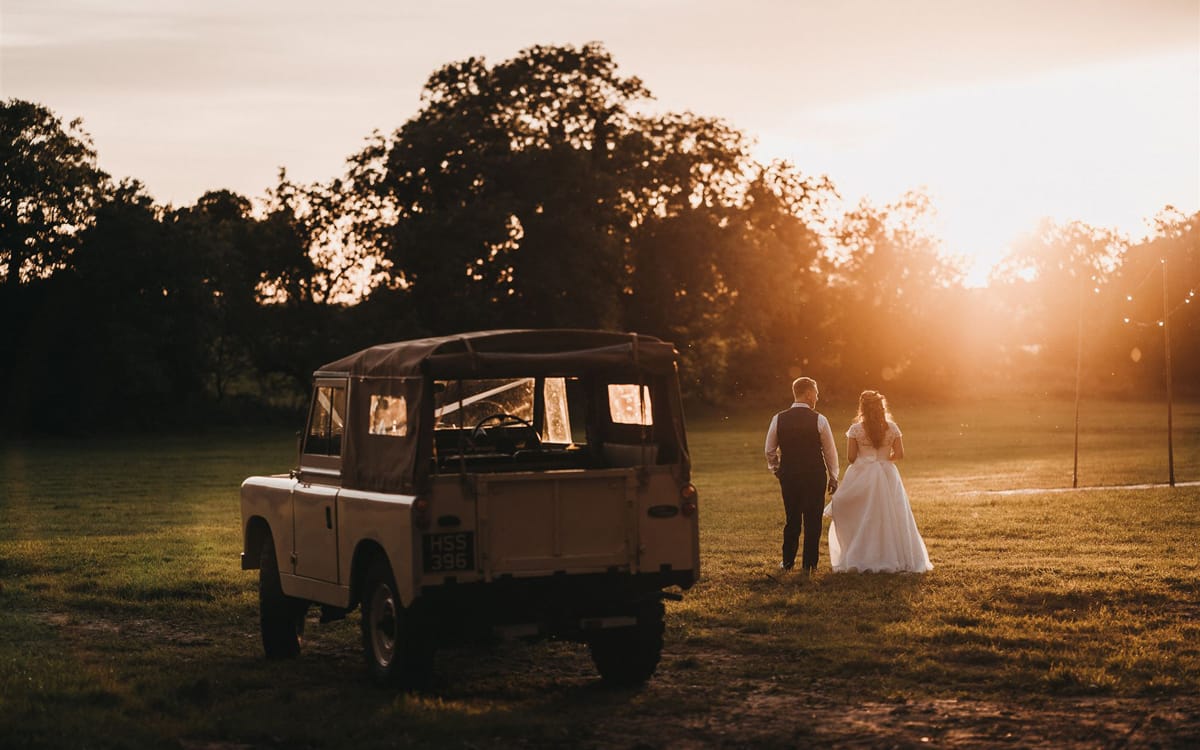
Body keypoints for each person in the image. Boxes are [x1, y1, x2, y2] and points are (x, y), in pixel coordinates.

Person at [824, 390, 932, 573]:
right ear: (881, 407)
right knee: (893, 514)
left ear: (862, 408)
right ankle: (895, 555)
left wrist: (868, 460)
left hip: (862, 475)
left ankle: (864, 555)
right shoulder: (892, 428)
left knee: (863, 514)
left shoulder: (856, 429)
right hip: (887, 474)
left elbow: (851, 457)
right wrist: (883, 460)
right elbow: (900, 454)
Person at [764, 377, 840, 575]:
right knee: (813, 520)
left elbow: (769, 450)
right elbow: (830, 452)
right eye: (816, 393)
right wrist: (833, 477)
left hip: (789, 475)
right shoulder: (820, 419)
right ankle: (809, 565)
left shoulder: (778, 418)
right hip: (814, 475)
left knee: (792, 519)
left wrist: (777, 469)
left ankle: (788, 562)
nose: (817, 397)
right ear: (808, 394)